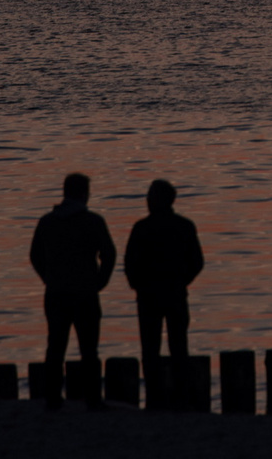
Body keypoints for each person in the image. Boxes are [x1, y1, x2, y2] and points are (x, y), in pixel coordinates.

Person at [29, 172, 116, 410]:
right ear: (84, 194)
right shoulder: (93, 221)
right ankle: (93, 399)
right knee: (89, 349)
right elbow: (109, 254)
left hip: (56, 293)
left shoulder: (47, 221)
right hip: (85, 293)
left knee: (55, 346)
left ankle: (53, 398)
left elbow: (35, 255)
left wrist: (48, 278)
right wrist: (100, 281)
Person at [123, 179, 204, 369]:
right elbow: (197, 262)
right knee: (179, 348)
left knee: (150, 350)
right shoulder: (184, 226)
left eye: (151, 196)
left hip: (149, 296)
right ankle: (181, 391)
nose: (147, 200)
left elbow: (129, 262)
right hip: (174, 293)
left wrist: (138, 285)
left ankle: (155, 392)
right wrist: (182, 281)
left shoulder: (142, 228)